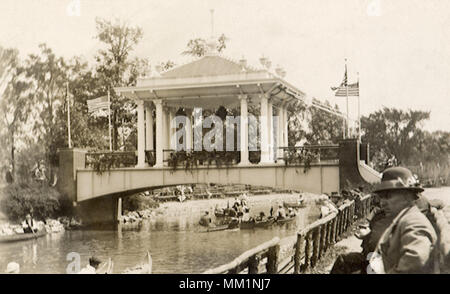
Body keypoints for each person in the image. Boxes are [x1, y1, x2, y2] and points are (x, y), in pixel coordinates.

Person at [331, 167, 438, 274]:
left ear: (408, 195)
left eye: (388, 196)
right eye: (381, 197)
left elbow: (416, 260)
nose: (382, 203)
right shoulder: (402, 219)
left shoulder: (414, 222)